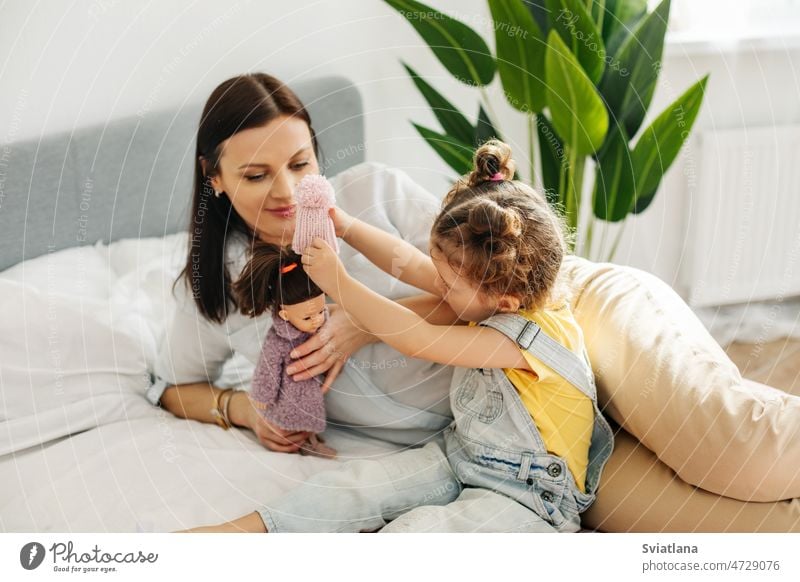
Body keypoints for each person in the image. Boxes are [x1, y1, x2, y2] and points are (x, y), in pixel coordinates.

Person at [183, 140, 614, 533]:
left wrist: (340, 284)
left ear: (504, 301)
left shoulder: (525, 338)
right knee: (355, 487)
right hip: (460, 454)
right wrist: (347, 225)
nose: (435, 286)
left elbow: (415, 338)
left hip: (526, 493)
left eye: (446, 284)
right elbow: (405, 261)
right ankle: (241, 534)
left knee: (417, 535)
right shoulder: (488, 288)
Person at [149, 71, 458, 456]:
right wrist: (245, 410)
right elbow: (173, 388)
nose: (286, 192)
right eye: (257, 175)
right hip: (405, 450)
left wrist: (365, 323)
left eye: (299, 165)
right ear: (214, 177)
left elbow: (484, 296)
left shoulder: (377, 191)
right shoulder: (218, 277)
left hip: (492, 402)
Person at [231, 243, 336, 458]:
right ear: (285, 315)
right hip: (288, 392)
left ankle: (313, 439)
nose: (317, 320)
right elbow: (267, 369)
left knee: (310, 417)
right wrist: (261, 396)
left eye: (320, 310)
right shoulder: (278, 341)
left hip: (310, 388)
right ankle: (305, 443)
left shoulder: (321, 323)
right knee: (291, 421)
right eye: (307, 317)